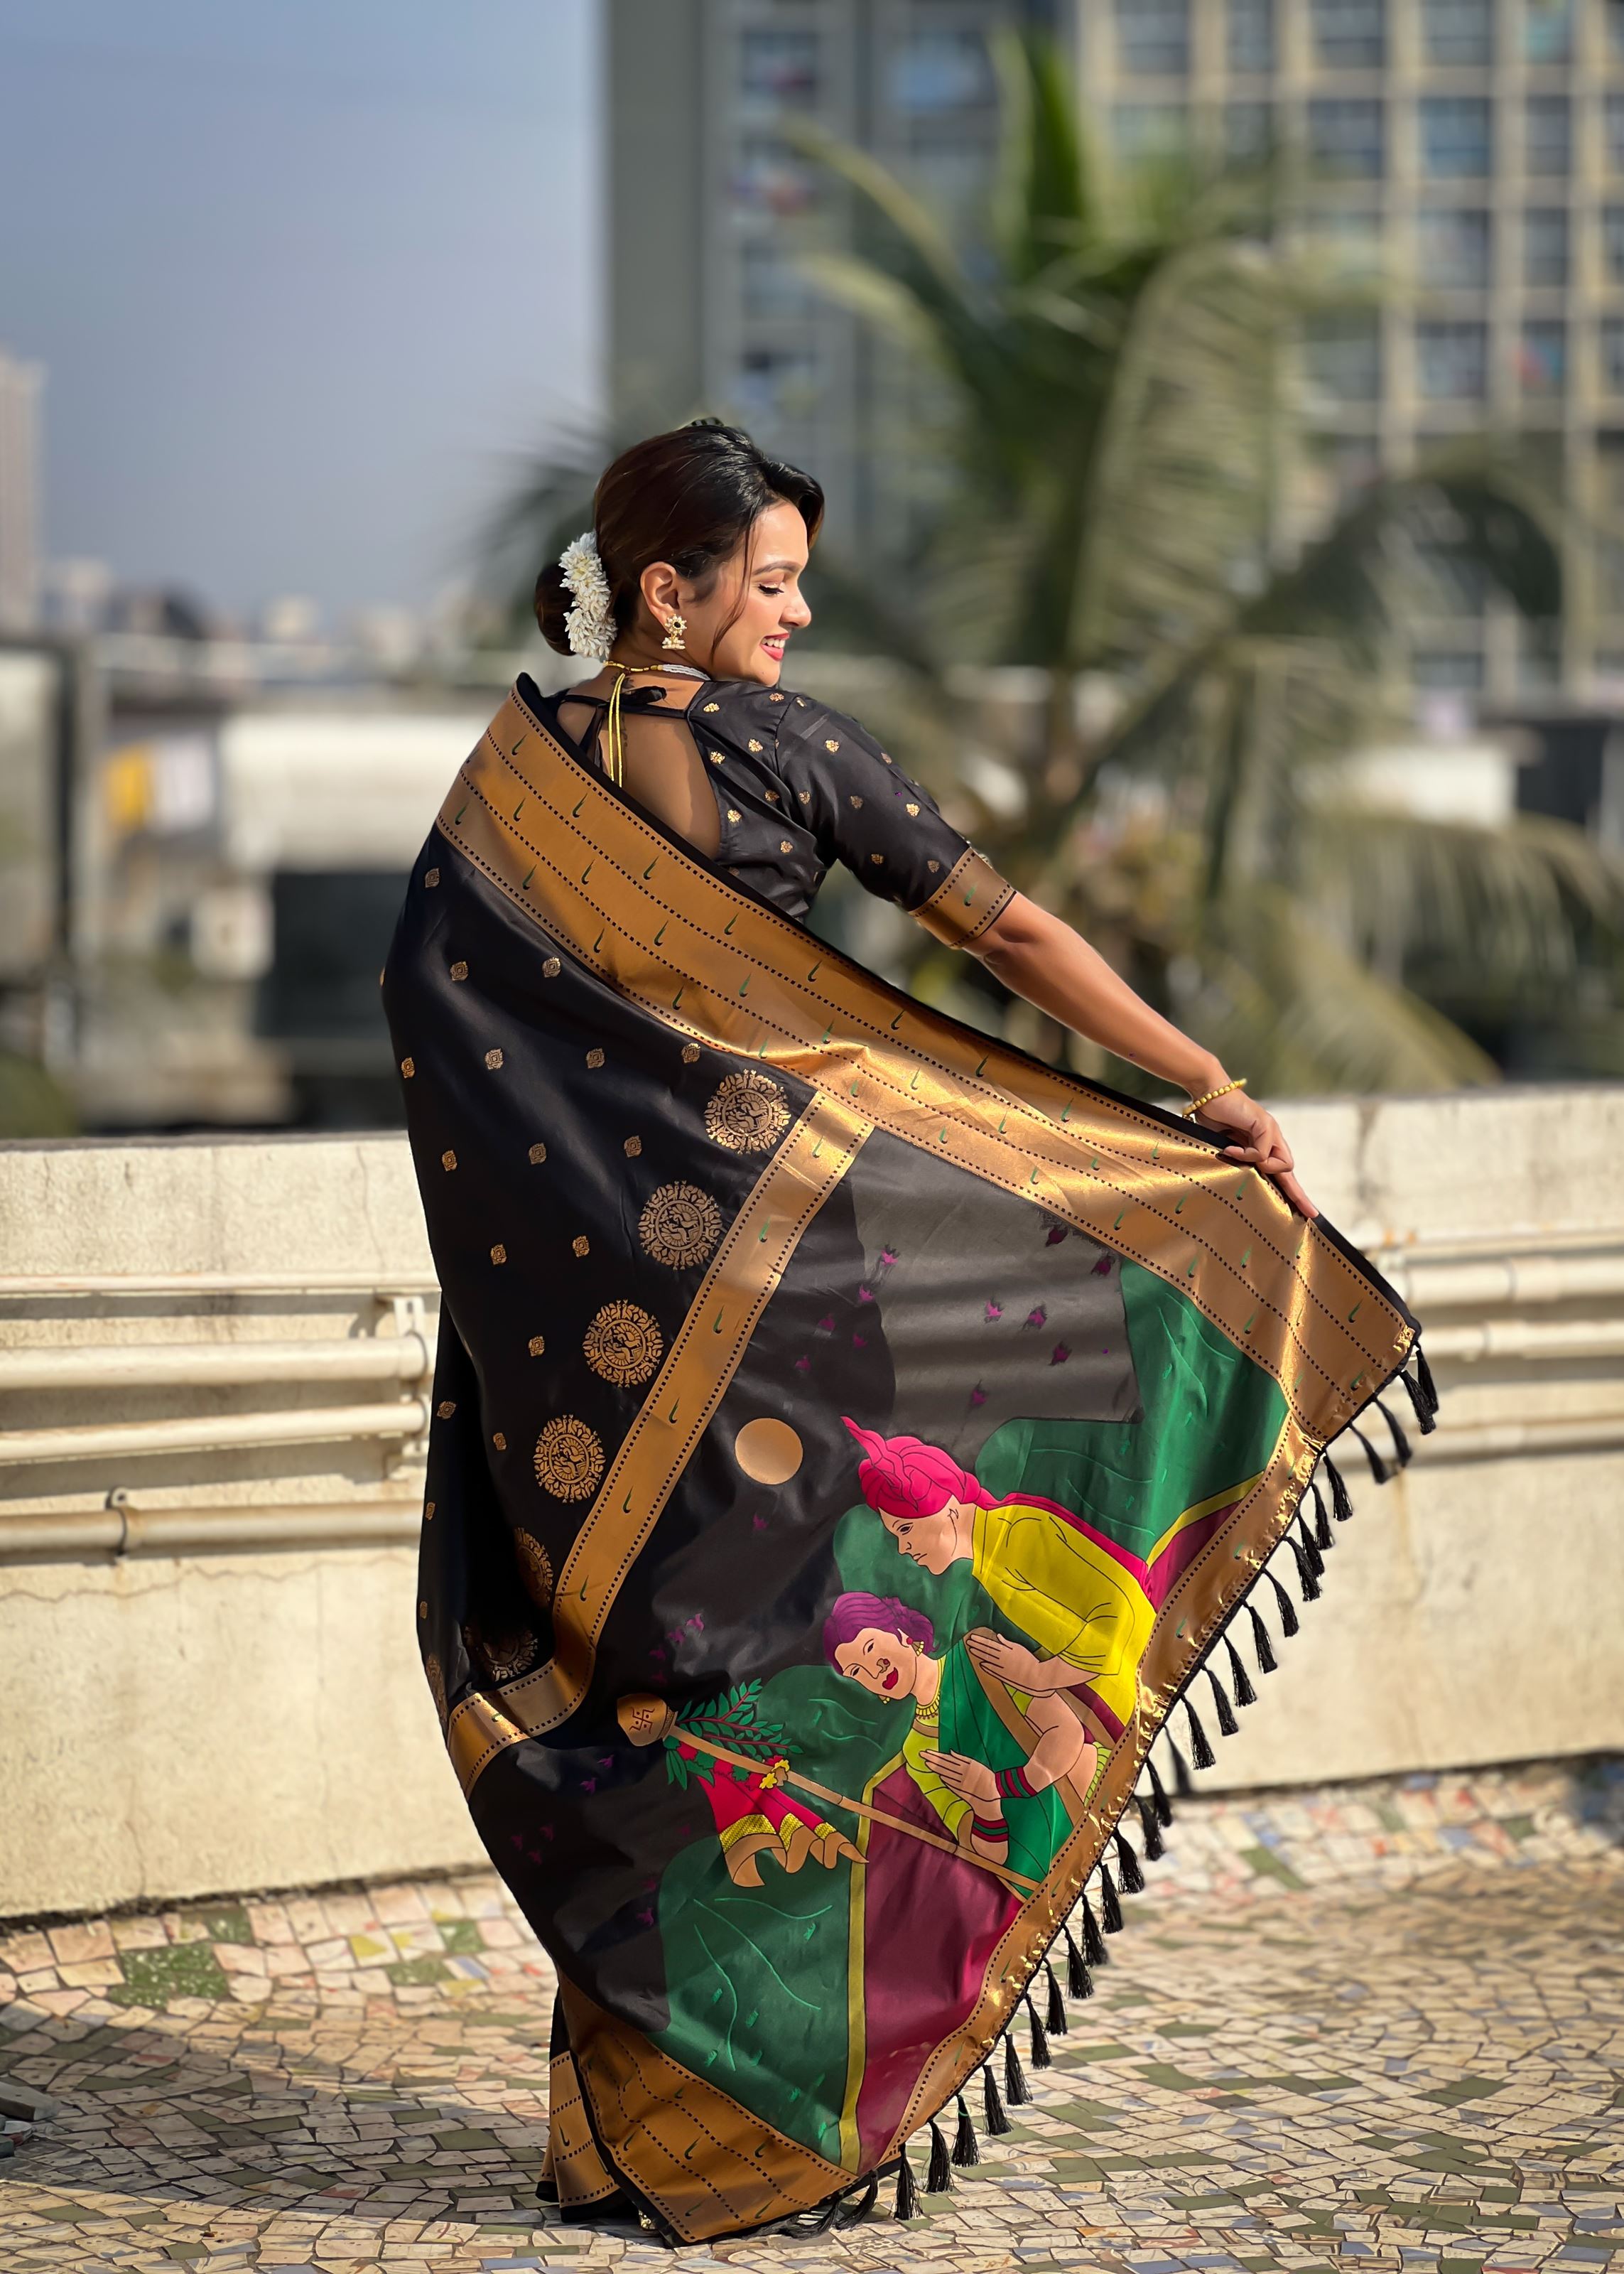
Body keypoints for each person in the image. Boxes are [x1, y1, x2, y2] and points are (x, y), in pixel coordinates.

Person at [381, 421, 1415, 2244]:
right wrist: (1199, 1088)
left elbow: (449, 1024)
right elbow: (1009, 936)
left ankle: (621, 2133)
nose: (795, 612)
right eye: (767, 583)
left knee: (661, 1679)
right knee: (799, 1672)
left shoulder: (516, 776)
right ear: (664, 595)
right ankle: (755, 2132)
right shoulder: (785, 752)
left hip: (592, 1357)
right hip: (793, 1324)